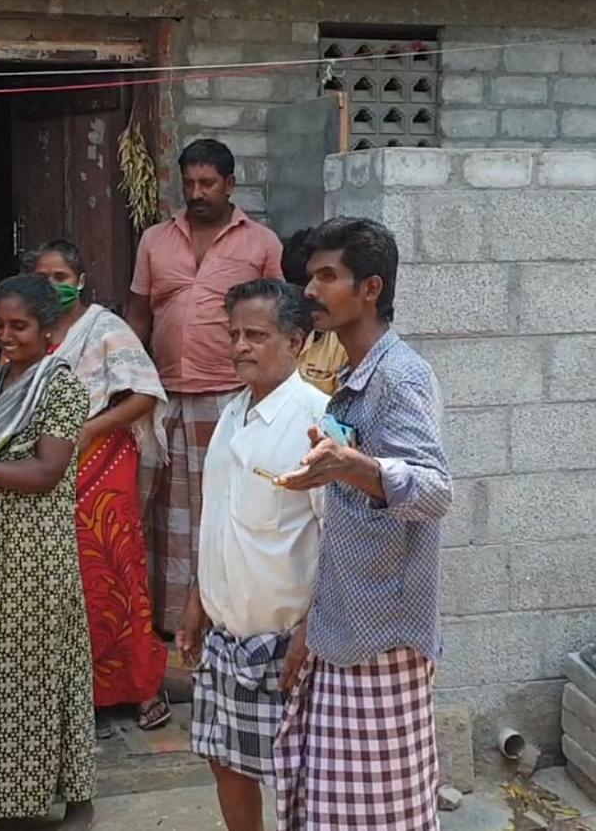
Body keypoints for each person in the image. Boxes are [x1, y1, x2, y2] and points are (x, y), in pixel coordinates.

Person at [272, 217, 450, 831]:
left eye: (328, 276)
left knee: (381, 815)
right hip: (342, 627)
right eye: (309, 276)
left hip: (384, 639)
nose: (310, 290)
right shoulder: (354, 376)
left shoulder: (399, 376)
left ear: (370, 289)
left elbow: (434, 490)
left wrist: (356, 467)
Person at [0, 275, 96, 823]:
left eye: (19, 326)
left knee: (39, 671)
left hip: (36, 551)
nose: (6, 335)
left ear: (48, 329)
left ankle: (69, 798)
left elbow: (47, 472)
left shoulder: (62, 388)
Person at [178, 280, 327, 831]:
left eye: (256, 336)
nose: (240, 346)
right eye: (234, 334)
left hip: (285, 642)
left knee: (297, 777)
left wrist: (312, 630)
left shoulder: (317, 422)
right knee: (225, 761)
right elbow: (217, 517)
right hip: (225, 633)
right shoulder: (232, 415)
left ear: (296, 342)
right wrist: (197, 599)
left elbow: (338, 537)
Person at [125, 138, 284, 642]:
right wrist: (127, 379)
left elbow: (281, 318)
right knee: (164, 516)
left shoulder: (261, 243)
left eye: (207, 183)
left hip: (230, 398)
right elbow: (139, 314)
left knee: (222, 511)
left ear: (230, 184)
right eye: (189, 183)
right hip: (163, 398)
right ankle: (167, 625)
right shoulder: (154, 240)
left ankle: (221, 620)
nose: (196, 193)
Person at [30, 240, 172, 733]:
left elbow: (146, 394)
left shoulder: (105, 328)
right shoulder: (28, 327)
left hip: (104, 461)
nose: (53, 287)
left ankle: (141, 686)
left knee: (114, 569)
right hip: (47, 465)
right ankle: (75, 694)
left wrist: (92, 428)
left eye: (61, 278)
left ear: (81, 280)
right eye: (43, 278)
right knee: (62, 578)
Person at [281, 227, 348, 396]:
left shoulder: (345, 341)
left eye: (325, 279)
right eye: (304, 286)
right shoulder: (273, 333)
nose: (310, 293)